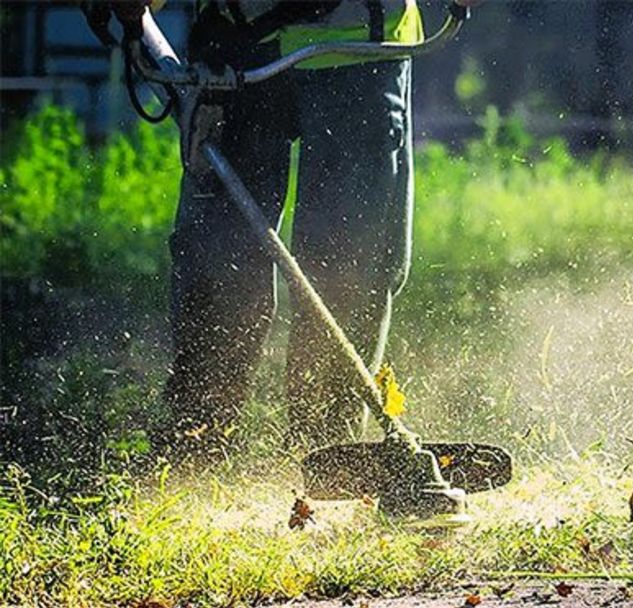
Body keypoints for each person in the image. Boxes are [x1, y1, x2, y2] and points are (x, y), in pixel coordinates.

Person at [83, 0, 476, 457]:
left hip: (360, 49)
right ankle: (198, 440)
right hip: (236, 49)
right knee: (219, 258)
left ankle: (326, 453)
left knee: (350, 264)